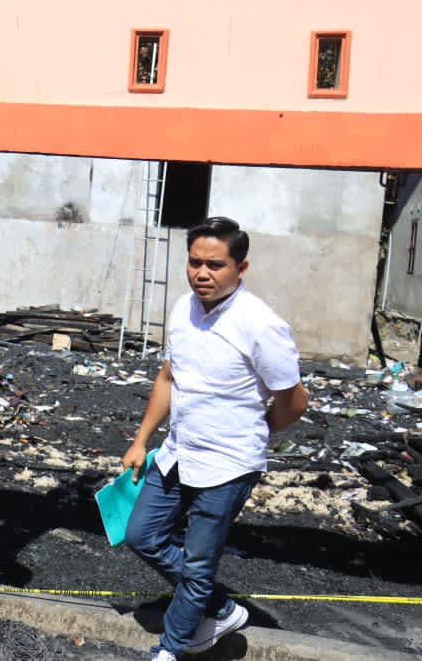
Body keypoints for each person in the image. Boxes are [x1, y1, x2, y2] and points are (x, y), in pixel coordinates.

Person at [121, 216, 308, 661]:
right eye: (195, 262)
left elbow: (294, 401)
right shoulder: (183, 309)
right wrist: (140, 440)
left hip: (229, 464)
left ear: (241, 268)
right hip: (178, 452)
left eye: (215, 265)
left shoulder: (260, 324)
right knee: (142, 535)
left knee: (200, 562)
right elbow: (168, 378)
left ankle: (170, 649)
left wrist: (253, 432)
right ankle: (221, 609)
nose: (202, 273)